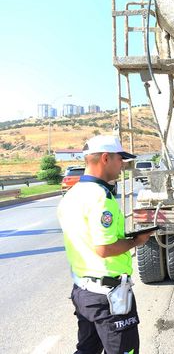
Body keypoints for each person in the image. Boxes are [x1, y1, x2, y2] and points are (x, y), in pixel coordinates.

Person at [57, 134, 154, 354]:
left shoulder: (71, 196)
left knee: (87, 350)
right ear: (105, 158)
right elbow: (104, 248)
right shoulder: (101, 198)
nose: (122, 164)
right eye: (120, 158)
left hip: (83, 291)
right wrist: (136, 241)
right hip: (108, 296)